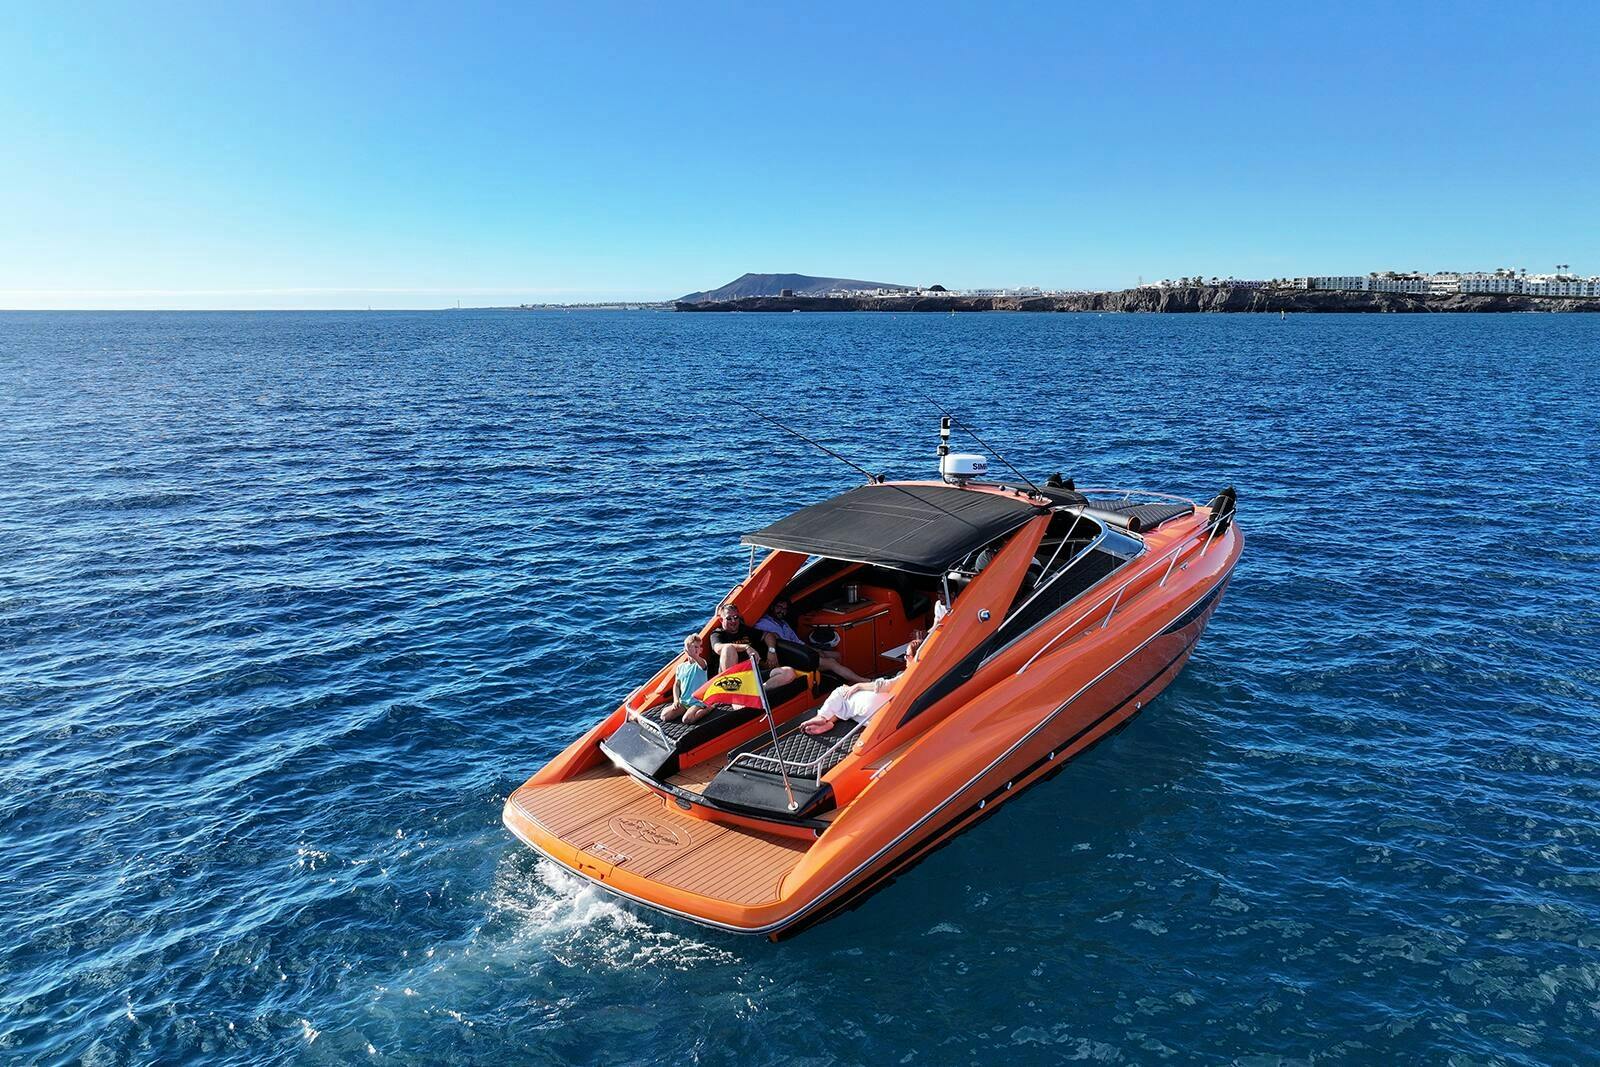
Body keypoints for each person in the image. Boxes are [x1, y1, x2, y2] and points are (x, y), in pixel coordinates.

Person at [800, 632, 923, 735]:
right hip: (888, 713)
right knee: (849, 708)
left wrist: (859, 685)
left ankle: (822, 716)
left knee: (842, 691)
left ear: (914, 657)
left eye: (907, 655)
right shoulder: (925, 672)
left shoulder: (909, 674)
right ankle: (830, 721)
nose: (905, 658)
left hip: (880, 707)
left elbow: (883, 686)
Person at [756, 596, 868, 684]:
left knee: (837, 655)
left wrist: (815, 650)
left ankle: (840, 682)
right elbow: (769, 636)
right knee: (831, 662)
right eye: (779, 607)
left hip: (801, 651)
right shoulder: (763, 623)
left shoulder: (784, 624)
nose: (782, 611)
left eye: (784, 609)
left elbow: (798, 642)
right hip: (792, 658)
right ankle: (862, 681)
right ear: (772, 607)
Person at [708, 602, 798, 688]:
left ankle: (758, 692)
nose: (733, 621)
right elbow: (718, 648)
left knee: (789, 673)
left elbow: (768, 635)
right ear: (721, 620)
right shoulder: (717, 634)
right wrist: (746, 647)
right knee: (728, 648)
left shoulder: (744, 630)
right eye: (729, 618)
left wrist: (771, 651)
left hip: (752, 674)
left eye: (736, 617)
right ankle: (735, 692)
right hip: (731, 679)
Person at [659, 634, 708, 723]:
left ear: (701, 650)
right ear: (685, 650)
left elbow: (702, 665)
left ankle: (709, 708)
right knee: (664, 716)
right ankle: (686, 710)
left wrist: (693, 655)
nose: (695, 650)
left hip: (698, 702)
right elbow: (677, 685)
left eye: (697, 647)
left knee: (687, 719)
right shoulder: (680, 667)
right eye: (692, 647)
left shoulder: (701, 663)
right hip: (684, 702)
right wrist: (676, 700)